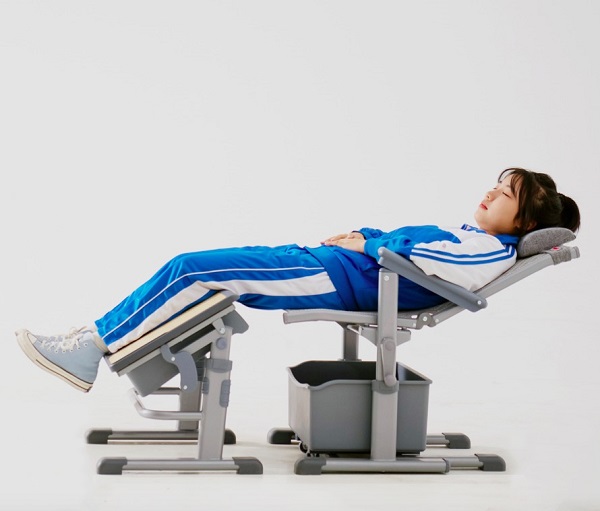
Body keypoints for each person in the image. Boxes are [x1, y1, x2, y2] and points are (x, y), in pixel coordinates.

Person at [16, 167, 581, 392]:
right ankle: (96, 339)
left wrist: (369, 245)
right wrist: (364, 236)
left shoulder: (485, 251)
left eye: (505, 193)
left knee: (193, 269)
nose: (491, 192)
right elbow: (406, 244)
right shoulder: (471, 236)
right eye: (496, 184)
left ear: (525, 223)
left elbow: (416, 257)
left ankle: (91, 347)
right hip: (329, 263)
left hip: (334, 278)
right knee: (195, 268)